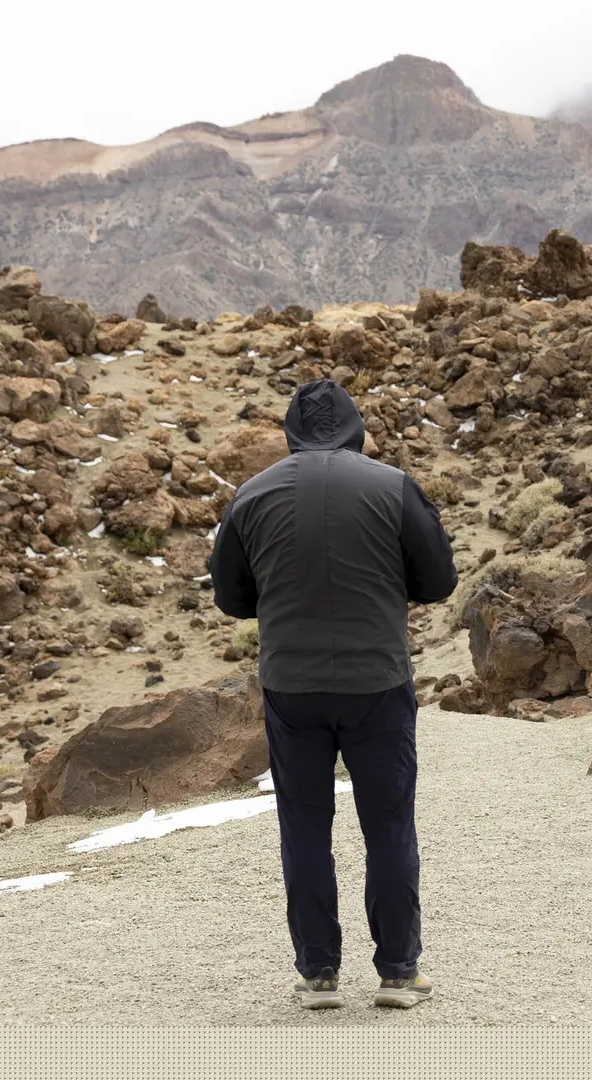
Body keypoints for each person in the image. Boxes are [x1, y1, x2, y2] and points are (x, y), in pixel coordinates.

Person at [210, 378, 458, 1011]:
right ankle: (399, 973)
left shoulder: (252, 494)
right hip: (377, 679)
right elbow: (438, 582)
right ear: (355, 426)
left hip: (291, 685)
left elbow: (231, 599)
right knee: (389, 824)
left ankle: (318, 974)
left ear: (291, 431)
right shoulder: (393, 486)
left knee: (304, 828)